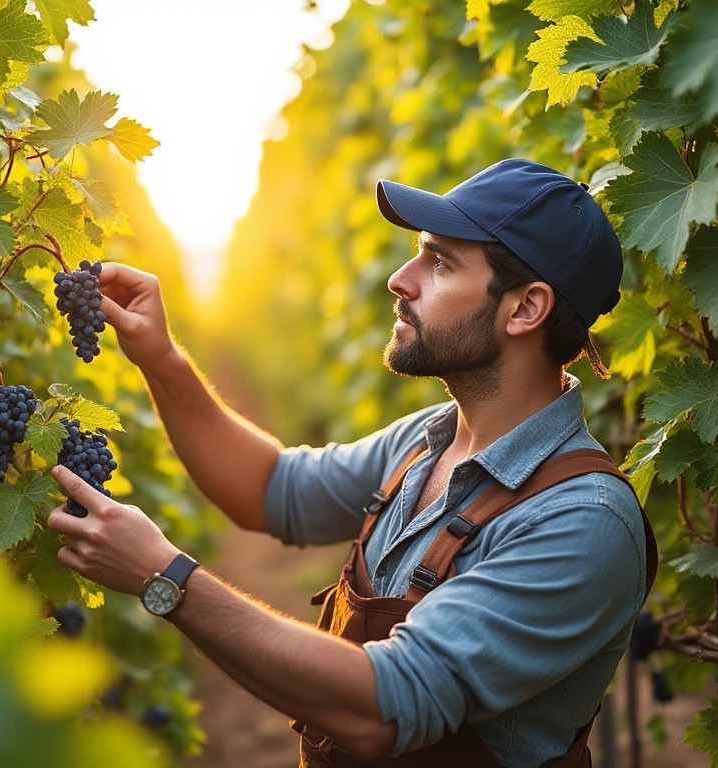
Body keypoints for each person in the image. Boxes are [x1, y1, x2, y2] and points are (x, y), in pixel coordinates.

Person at [46, 159, 656, 767]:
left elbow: (382, 707)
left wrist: (167, 579)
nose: (399, 278)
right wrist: (161, 357)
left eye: (440, 262)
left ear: (526, 309)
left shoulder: (583, 521)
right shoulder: (426, 442)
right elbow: (268, 488)